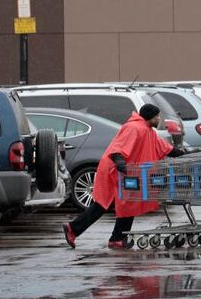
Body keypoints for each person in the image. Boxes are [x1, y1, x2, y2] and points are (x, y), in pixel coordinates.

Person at [62, 104, 186, 249]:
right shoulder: (134, 128)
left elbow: (167, 149)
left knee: (129, 203)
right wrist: (119, 161)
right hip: (114, 169)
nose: (159, 119)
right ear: (150, 117)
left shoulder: (148, 131)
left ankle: (117, 238)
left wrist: (187, 153)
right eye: (157, 116)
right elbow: (118, 148)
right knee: (103, 204)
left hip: (126, 172)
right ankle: (73, 228)